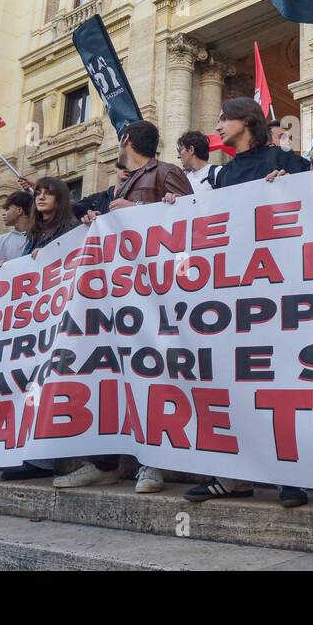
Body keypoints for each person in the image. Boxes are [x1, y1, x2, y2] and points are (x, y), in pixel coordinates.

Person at [179, 99, 310, 508]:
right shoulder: (224, 173)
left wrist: (292, 183)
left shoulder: (286, 159)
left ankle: (294, 473)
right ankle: (233, 476)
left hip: (279, 289)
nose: (216, 124)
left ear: (245, 121)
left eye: (222, 117)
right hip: (234, 292)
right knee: (234, 383)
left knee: (282, 382)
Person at [54, 122, 190, 495]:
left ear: (126, 140)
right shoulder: (126, 181)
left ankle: (154, 463)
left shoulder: (167, 172)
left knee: (154, 376)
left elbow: (190, 220)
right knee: (112, 378)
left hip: (155, 294)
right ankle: (104, 463)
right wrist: (99, 222)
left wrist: (138, 208)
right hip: (120, 295)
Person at [0, 191, 33, 264]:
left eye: (7, 209)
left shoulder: (40, 238)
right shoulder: (0, 240)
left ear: (19, 211)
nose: (3, 214)